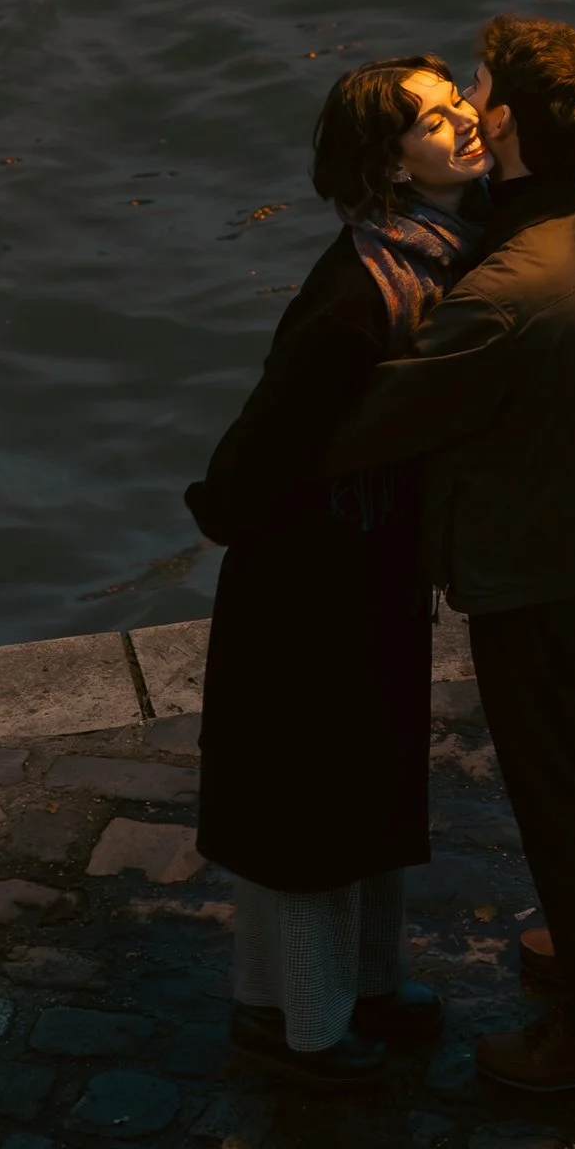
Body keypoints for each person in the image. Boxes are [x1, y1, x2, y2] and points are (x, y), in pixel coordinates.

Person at [332, 13, 575, 1099]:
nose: (467, 102)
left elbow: (373, 421)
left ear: (510, 120)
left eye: (477, 88)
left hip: (539, 572)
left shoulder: (506, 294)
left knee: (564, 798)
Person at [186, 54, 487, 1092]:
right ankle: (304, 1025)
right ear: (389, 164)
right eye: (431, 120)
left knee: (366, 782)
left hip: (372, 559)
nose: (461, 125)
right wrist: (221, 511)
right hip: (310, 574)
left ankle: (358, 990)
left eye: (457, 105)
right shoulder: (359, 290)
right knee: (311, 804)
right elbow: (271, 437)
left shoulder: (444, 251)